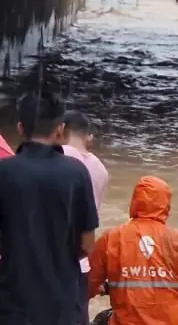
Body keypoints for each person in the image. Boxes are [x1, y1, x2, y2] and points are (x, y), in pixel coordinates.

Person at [0, 91, 99, 325]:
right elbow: (87, 245)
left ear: (21, 128)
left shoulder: (4, 173)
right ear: (59, 129)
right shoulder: (77, 172)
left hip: (13, 304)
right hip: (63, 304)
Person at [88, 176, 178, 325]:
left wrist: (106, 287)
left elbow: (86, 286)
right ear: (166, 205)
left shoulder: (111, 238)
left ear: (134, 202)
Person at [62, 110, 109, 325]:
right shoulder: (100, 169)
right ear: (87, 135)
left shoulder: (59, 156)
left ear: (61, 129)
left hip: (51, 258)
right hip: (82, 261)